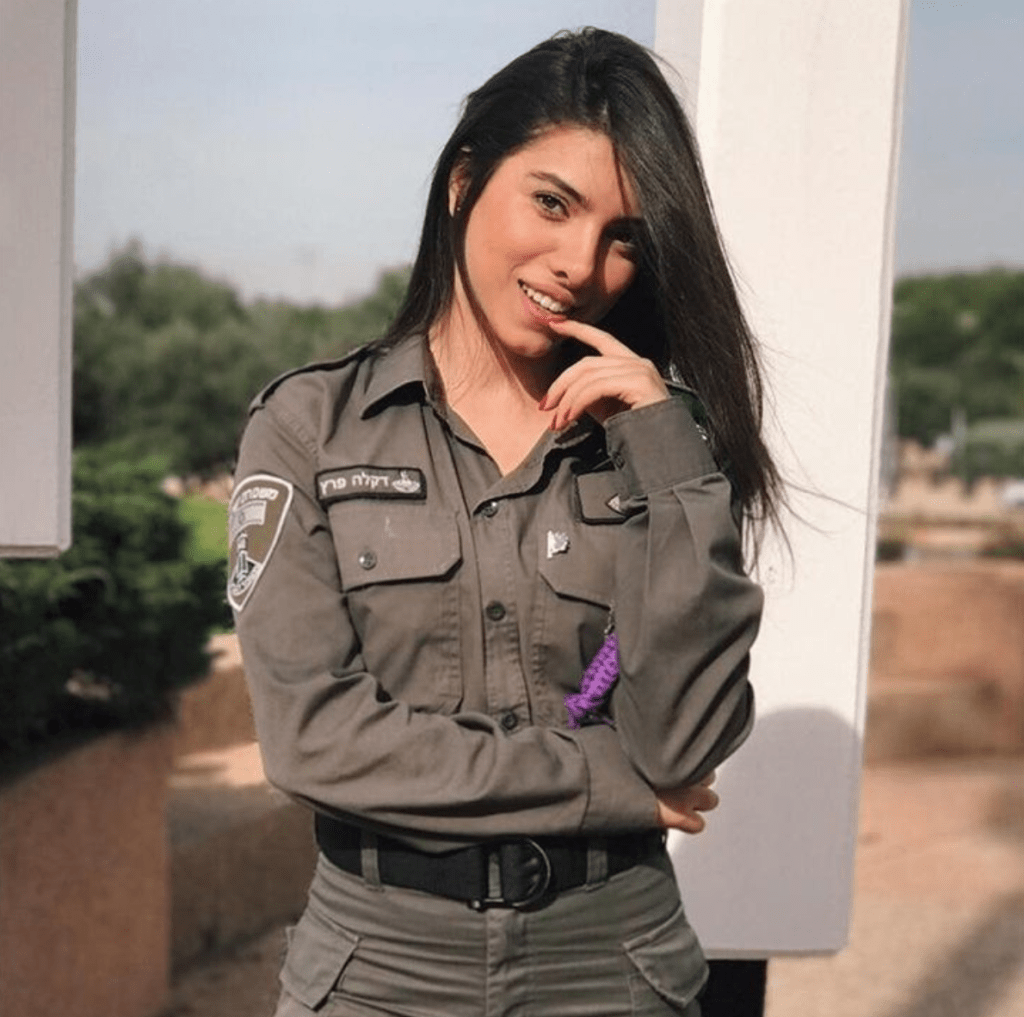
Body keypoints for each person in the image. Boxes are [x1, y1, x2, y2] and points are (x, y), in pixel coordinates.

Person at [228, 27, 781, 1017]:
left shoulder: (665, 440)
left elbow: (682, 744)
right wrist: (603, 783)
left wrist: (667, 453)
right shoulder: (309, 427)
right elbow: (314, 740)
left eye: (623, 238)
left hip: (613, 965)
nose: (579, 263)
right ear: (463, 183)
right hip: (378, 969)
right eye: (552, 204)